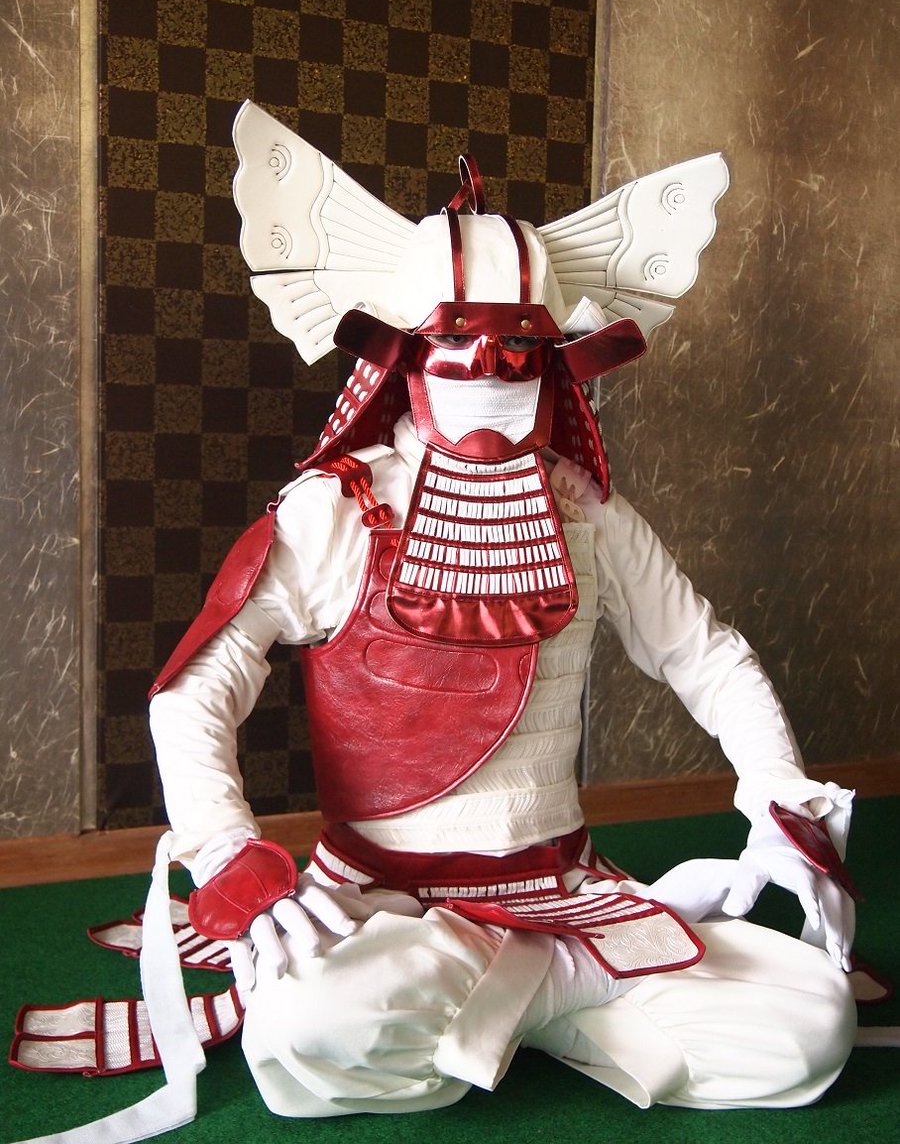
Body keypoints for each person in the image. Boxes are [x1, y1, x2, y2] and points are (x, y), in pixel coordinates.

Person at [144, 103, 858, 1118]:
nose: (491, 366)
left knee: (813, 1024)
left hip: (567, 892)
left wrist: (779, 796)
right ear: (402, 352)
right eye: (456, 339)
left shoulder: (589, 513)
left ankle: (530, 993)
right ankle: (544, 999)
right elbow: (196, 690)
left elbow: (706, 656)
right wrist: (224, 846)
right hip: (382, 903)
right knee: (307, 1030)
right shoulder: (332, 509)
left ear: (558, 353)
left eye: (521, 343)